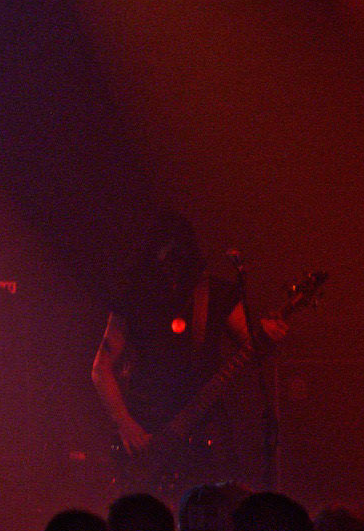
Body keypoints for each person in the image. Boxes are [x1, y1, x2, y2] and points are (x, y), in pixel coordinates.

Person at [91, 211, 281, 493]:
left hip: (203, 428)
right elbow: (100, 368)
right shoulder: (134, 296)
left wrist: (269, 336)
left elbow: (253, 347)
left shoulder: (214, 293)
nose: (170, 268)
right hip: (147, 427)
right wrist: (125, 422)